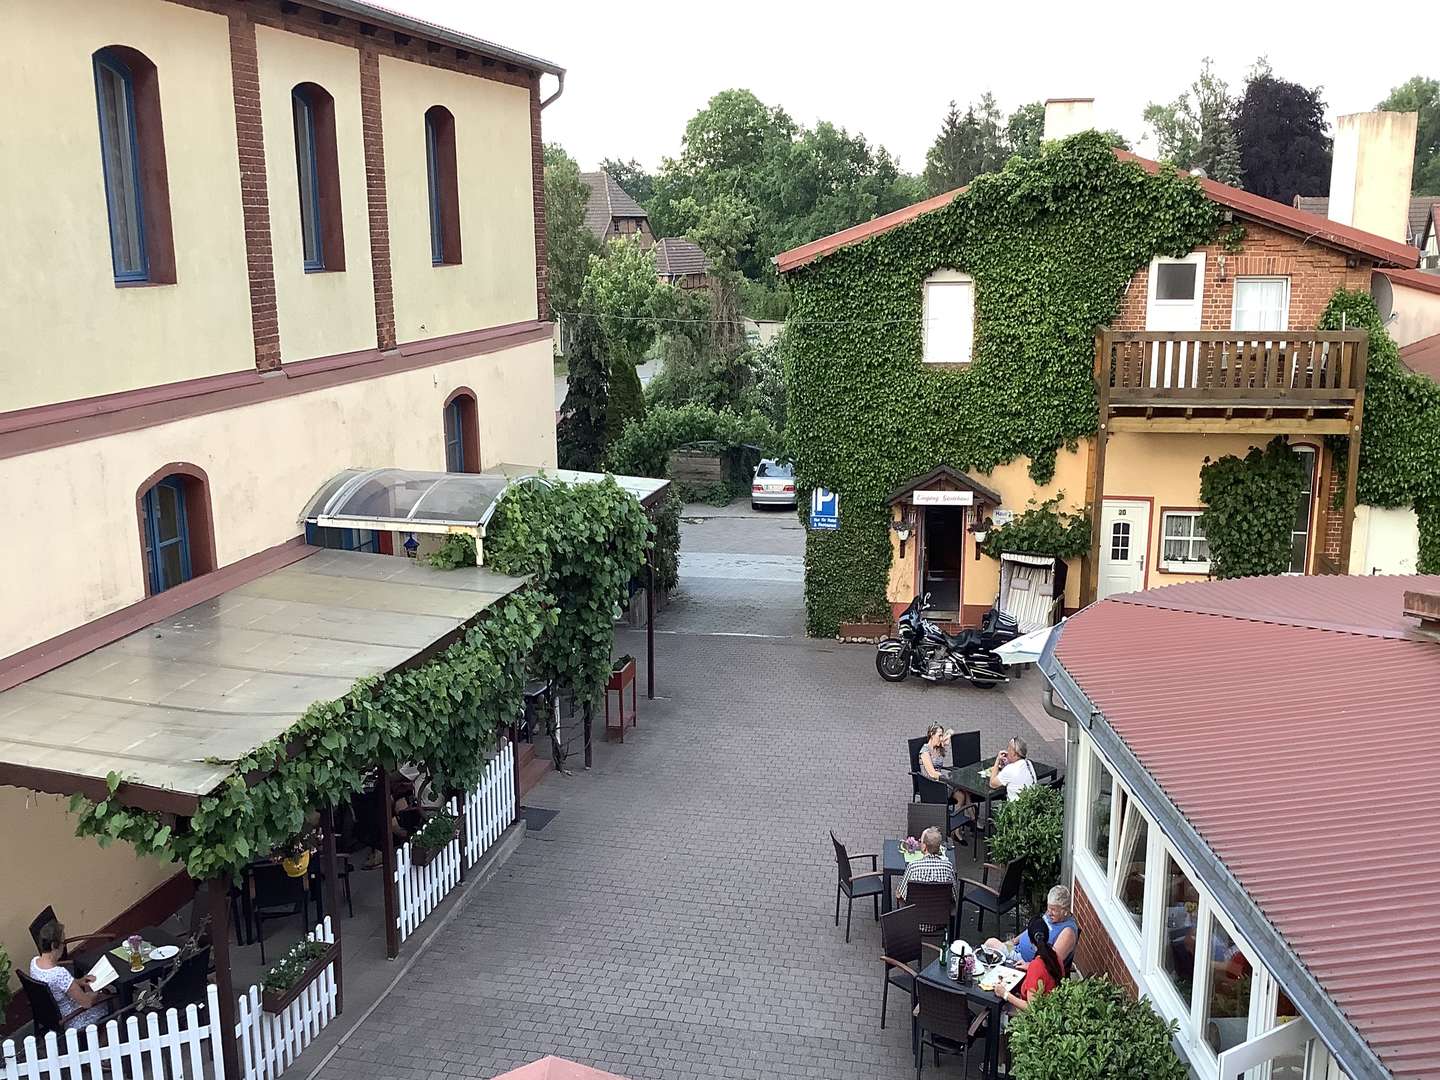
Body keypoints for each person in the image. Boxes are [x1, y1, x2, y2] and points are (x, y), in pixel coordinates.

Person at [29, 921, 114, 1030]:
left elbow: (57, 986)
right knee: (109, 1001)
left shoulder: (34, 963)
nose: (64, 946)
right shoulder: (59, 974)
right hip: (70, 1019)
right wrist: (98, 992)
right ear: (54, 945)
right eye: (63, 943)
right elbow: (87, 1003)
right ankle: (102, 1040)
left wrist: (79, 981)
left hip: (51, 1015)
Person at [985, 885, 1078, 969]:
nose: (1049, 913)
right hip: (1016, 949)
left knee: (990, 946)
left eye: (1053, 910)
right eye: (1048, 908)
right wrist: (1013, 942)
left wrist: (1029, 966)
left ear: (1065, 911)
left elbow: (1052, 962)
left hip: (1024, 961)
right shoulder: (1053, 916)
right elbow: (1032, 929)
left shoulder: (1068, 932)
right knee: (989, 946)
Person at [994, 917, 1063, 1013]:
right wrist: (1030, 965)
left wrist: (1005, 994)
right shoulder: (1055, 956)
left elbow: (1031, 1008)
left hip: (1035, 1017)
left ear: (1030, 940)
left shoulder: (1036, 967)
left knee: (995, 1005)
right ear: (1047, 936)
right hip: (1052, 1007)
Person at [894, 826, 955, 907]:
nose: (919, 843)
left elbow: (900, 894)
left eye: (921, 841)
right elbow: (954, 895)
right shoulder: (948, 867)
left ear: (925, 846)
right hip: (940, 913)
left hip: (916, 913)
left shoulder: (913, 867)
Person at [988, 736, 1037, 801]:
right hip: (1029, 805)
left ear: (1014, 753)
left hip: (1015, 808)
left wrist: (997, 760)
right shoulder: (1028, 763)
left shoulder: (1010, 769)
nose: (1007, 751)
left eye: (1008, 748)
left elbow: (992, 784)